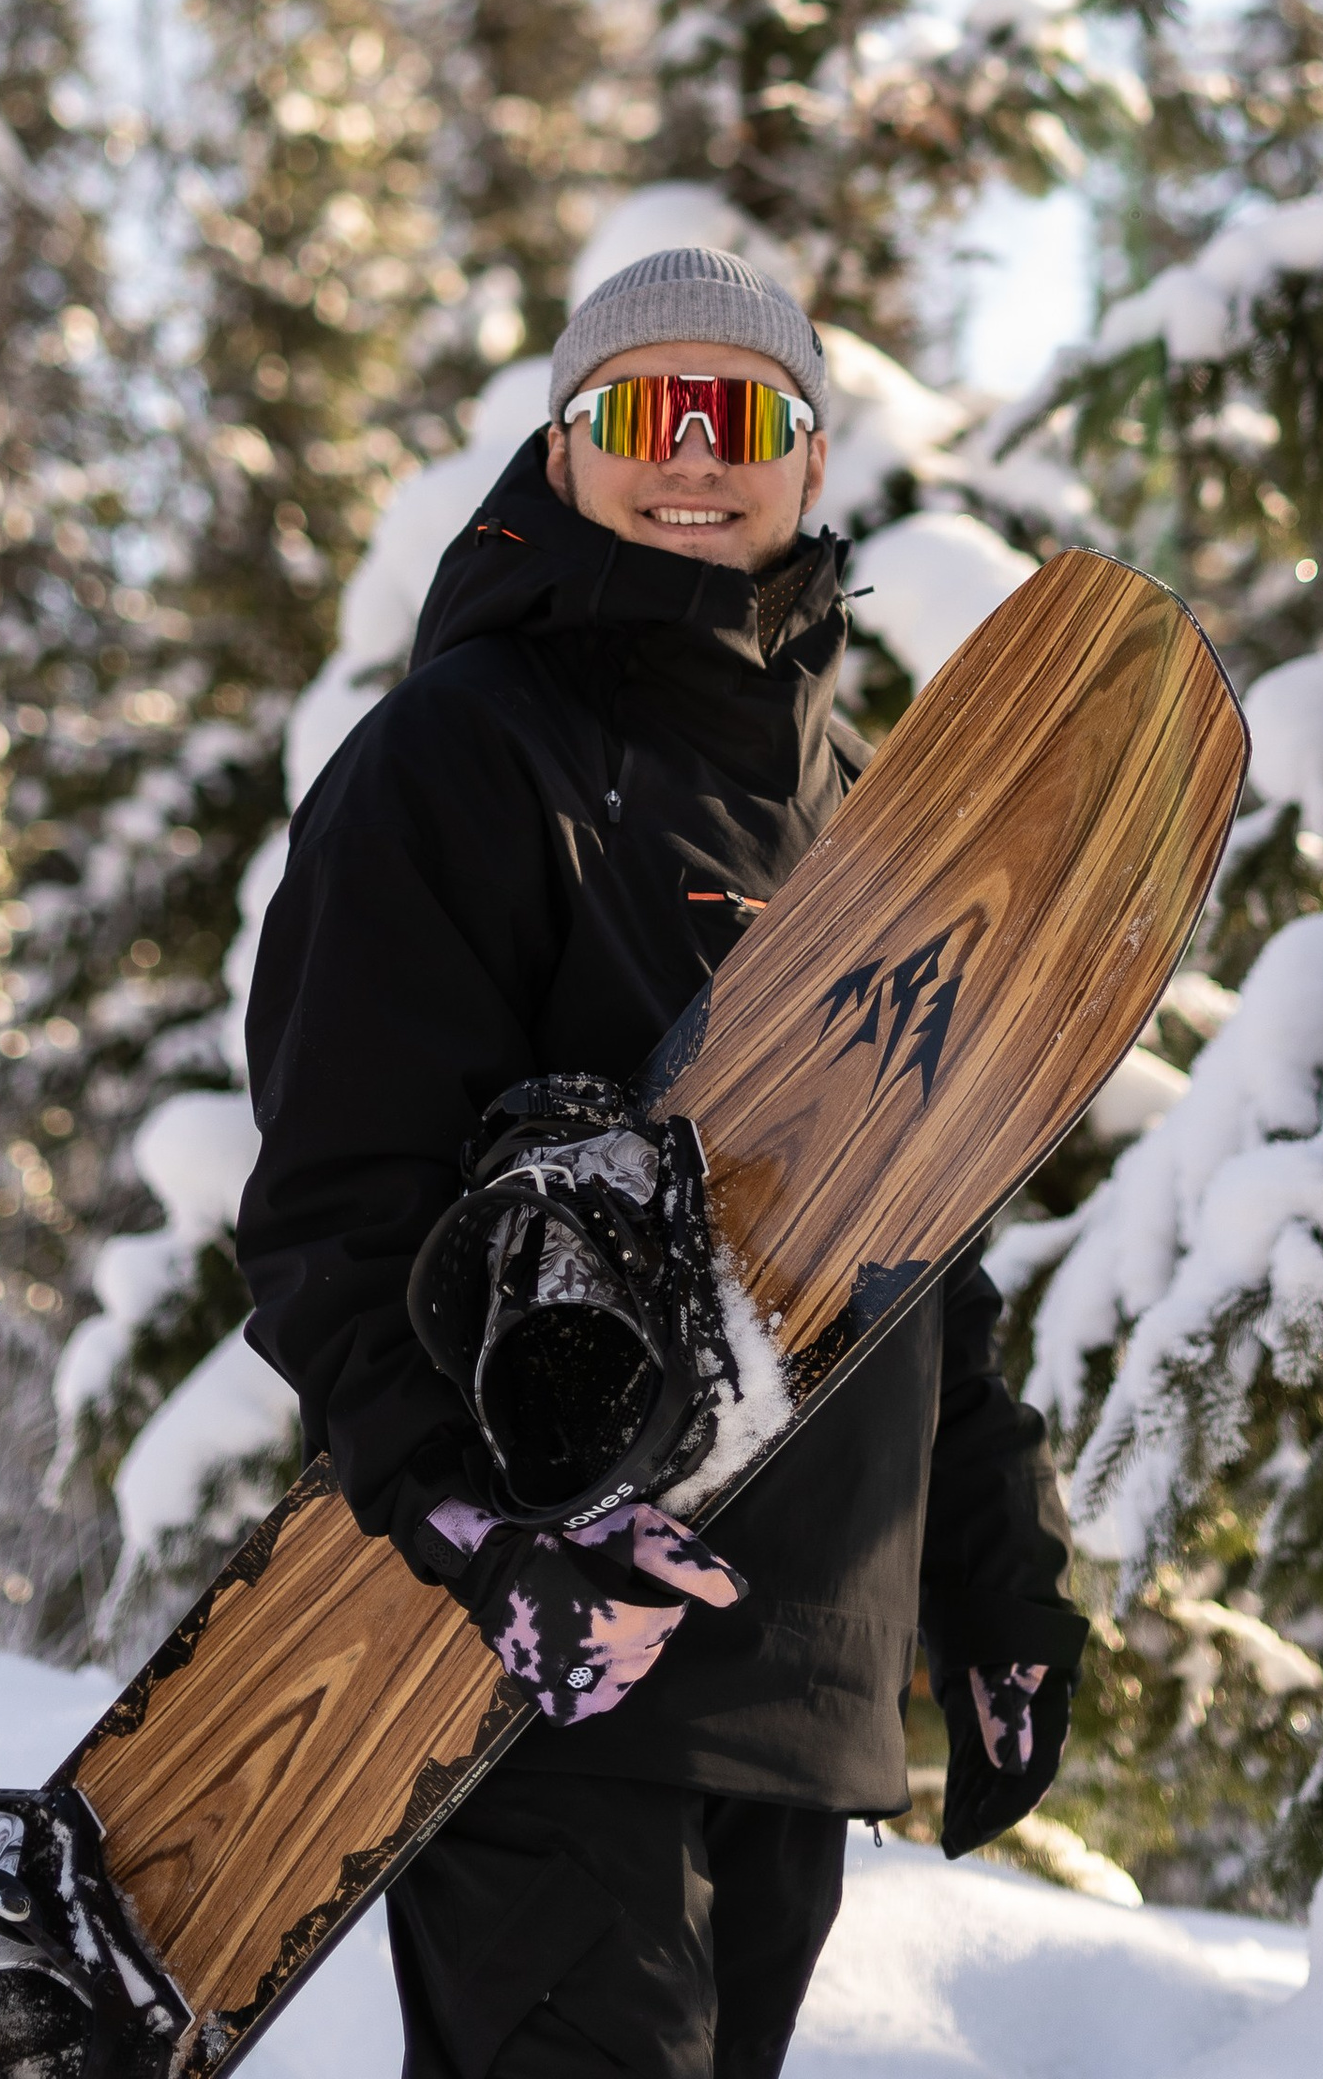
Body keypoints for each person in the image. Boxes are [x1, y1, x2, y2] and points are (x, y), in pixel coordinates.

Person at [236, 242, 1087, 2079]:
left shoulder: (859, 809)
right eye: (643, 410)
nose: (690, 454)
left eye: (739, 414)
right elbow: (330, 1217)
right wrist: (483, 1534)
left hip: (798, 1690)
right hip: (548, 1687)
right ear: (563, 455)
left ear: (810, 460)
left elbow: (919, 1242)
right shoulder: (457, 764)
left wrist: (999, 1578)